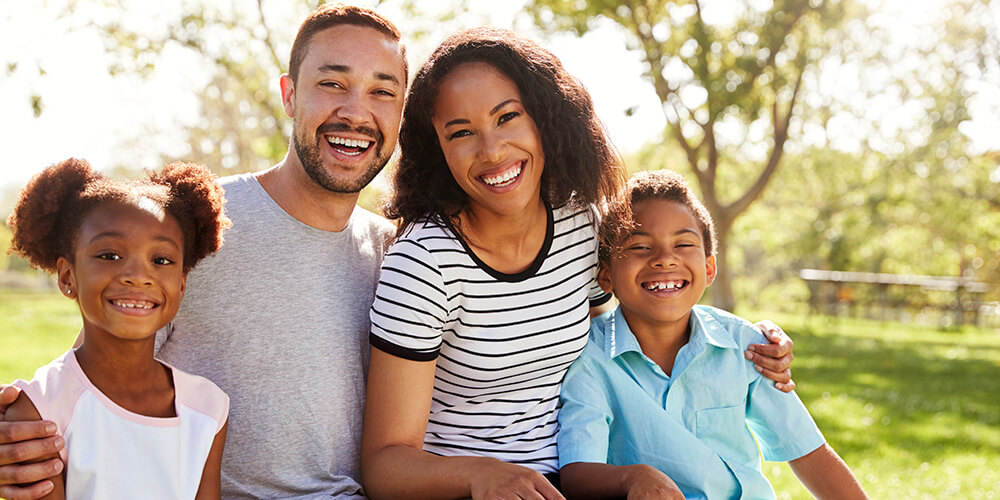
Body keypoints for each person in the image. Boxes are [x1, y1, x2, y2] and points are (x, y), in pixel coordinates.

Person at [360, 28, 796, 500]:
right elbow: (385, 465)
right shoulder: (424, 262)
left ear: (547, 119)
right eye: (461, 132)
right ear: (437, 148)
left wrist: (750, 339)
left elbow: (626, 330)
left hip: (582, 478)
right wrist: (482, 475)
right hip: (465, 489)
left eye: (508, 117)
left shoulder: (580, 222)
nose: (492, 150)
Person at [0, 5, 406, 499]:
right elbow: (96, 372)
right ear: (290, 95)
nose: (356, 112)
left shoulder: (396, 252)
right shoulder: (199, 228)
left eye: (382, 91)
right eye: (333, 83)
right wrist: (24, 432)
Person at [556, 170, 868, 499]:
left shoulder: (747, 347)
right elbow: (577, 474)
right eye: (641, 246)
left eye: (683, 244)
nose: (664, 259)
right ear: (605, 277)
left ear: (708, 269)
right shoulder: (589, 360)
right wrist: (632, 478)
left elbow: (809, 453)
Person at [4, 158, 231, 499]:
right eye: (110, 255)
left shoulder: (208, 408)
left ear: (182, 284)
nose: (138, 275)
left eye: (162, 260)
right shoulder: (40, 408)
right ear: (68, 277)